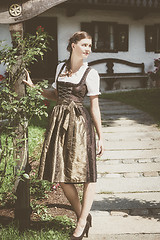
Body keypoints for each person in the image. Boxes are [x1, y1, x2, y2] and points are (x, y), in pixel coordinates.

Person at [23, 31, 104, 240]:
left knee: (87, 173)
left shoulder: (91, 73)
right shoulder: (60, 67)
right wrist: (34, 87)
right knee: (61, 175)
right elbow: (55, 95)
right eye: (84, 44)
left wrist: (101, 136)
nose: (88, 49)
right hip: (59, 122)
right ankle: (83, 217)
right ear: (73, 45)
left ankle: (81, 222)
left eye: (90, 45)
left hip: (80, 124)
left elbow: (95, 107)